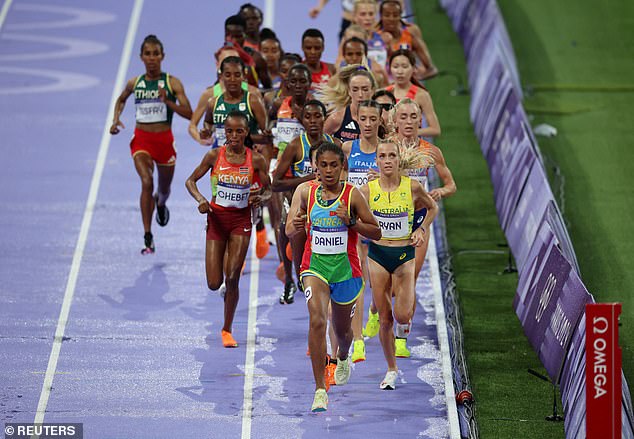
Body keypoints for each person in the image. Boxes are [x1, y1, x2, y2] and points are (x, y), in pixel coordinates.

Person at [286, 142, 381, 412]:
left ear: (342, 168)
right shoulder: (305, 192)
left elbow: (376, 232)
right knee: (317, 320)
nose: (328, 170)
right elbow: (291, 229)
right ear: (316, 166)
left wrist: (351, 222)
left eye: (333, 165)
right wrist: (293, 226)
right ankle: (319, 390)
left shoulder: (353, 196)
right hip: (314, 267)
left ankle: (341, 356)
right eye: (323, 165)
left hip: (346, 271)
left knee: (343, 332)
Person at [363, 98, 455, 356]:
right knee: (384, 283)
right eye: (402, 117)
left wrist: (439, 191)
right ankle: (374, 312)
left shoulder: (430, 152)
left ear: (419, 120)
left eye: (413, 117)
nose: (408, 122)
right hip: (388, 220)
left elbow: (451, 184)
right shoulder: (388, 148)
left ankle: (402, 338)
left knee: (409, 279)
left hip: (418, 222)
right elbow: (374, 172)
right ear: (395, 120)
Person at [185, 111, 271, 348]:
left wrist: (260, 197)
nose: (234, 135)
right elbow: (190, 181)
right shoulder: (214, 156)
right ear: (224, 132)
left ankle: (226, 329)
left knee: (232, 277)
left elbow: (269, 190)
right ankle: (224, 254)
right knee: (214, 283)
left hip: (240, 222)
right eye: (229, 131)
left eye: (239, 131)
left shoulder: (256, 160)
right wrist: (201, 200)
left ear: (246, 133)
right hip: (216, 220)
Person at [359, 141, 438, 389]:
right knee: (385, 319)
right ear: (377, 162)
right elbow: (354, 215)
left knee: (402, 314)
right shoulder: (367, 190)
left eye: (392, 155)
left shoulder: (413, 187)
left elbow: (432, 207)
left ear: (398, 160)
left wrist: (421, 229)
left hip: (405, 256)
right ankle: (391, 368)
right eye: (382, 156)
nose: (388, 160)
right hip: (378, 256)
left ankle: (404, 329)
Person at [110, 34, 192, 254]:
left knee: (164, 190)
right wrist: (116, 119)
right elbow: (121, 99)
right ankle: (148, 236)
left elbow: (189, 113)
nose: (152, 58)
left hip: (164, 143)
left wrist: (168, 101)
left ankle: (161, 203)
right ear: (141, 57)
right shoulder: (135, 83)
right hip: (142, 141)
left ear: (162, 56)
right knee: (147, 182)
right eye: (148, 54)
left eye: (156, 54)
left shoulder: (172, 83)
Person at [273, 100, 341, 303]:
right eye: (308, 116)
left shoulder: (335, 145)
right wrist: (307, 180)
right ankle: (289, 281)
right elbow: (276, 183)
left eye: (317, 116)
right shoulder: (296, 145)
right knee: (285, 227)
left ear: (324, 118)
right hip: (301, 205)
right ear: (302, 120)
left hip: (328, 205)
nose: (313, 121)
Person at [341, 99, 382, 363]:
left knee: (377, 284)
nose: (367, 124)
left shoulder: (388, 152)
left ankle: (375, 311)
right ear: (357, 120)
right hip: (355, 225)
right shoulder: (347, 148)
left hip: (380, 224)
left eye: (372, 119)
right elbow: (341, 183)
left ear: (380, 120)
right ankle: (357, 341)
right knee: (358, 282)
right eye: (363, 119)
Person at [383, 49, 440, 141]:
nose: (400, 71)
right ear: (390, 68)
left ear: (414, 68)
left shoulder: (421, 95)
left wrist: (410, 132)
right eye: (395, 67)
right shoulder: (383, 94)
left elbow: (435, 129)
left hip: (412, 147)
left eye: (404, 67)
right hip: (388, 149)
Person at [378, 0, 437, 79]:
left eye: (395, 15)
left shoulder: (410, 34)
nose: (391, 19)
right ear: (381, 16)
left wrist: (415, 78)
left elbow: (431, 69)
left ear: (400, 16)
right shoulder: (373, 36)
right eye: (387, 15)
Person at [321, 65, 377, 142]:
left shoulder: (383, 119)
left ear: (372, 91)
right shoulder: (336, 119)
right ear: (349, 91)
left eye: (365, 89)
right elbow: (319, 146)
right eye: (355, 90)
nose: (360, 95)